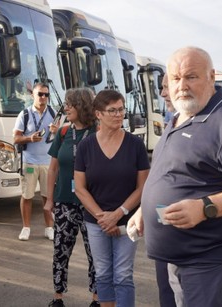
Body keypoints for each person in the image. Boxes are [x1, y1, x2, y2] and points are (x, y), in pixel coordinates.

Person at [129, 46, 222, 307]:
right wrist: (143, 211)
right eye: (175, 78)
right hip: (178, 259)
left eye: (191, 77)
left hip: (216, 264)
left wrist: (205, 208)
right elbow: (171, 173)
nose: (182, 85)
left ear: (211, 77)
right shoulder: (179, 118)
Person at [74, 89, 150, 307]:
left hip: (127, 222)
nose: (118, 115)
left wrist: (118, 214)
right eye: (112, 111)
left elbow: (143, 187)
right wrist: (103, 218)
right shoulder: (86, 146)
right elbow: (80, 188)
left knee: (123, 275)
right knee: (104, 273)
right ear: (98, 114)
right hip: (97, 223)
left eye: (121, 110)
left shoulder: (135, 145)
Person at [44, 88, 99, 307]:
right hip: (64, 202)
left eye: (70, 104)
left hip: (91, 205)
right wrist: (50, 199)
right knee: (60, 251)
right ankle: (58, 297)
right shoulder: (64, 132)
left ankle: (96, 298)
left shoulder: (98, 132)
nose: (65, 108)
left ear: (82, 105)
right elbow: (52, 169)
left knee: (94, 253)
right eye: (65, 104)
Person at [13, 82, 55, 241]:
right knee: (27, 195)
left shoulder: (53, 113)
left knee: (47, 196)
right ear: (33, 96)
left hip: (48, 162)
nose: (43, 98)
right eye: (40, 94)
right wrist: (29, 138)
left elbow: (59, 138)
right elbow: (16, 138)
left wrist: (56, 132)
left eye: (46, 95)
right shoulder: (24, 114)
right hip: (29, 161)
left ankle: (49, 227)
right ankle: (26, 227)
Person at [153, 75, 177, 307]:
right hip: (164, 229)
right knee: (167, 291)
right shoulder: (173, 122)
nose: (162, 94)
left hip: (186, 235)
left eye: (166, 88)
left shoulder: (216, 123)